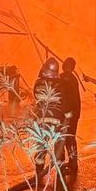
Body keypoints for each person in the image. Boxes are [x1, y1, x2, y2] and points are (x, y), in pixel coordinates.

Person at [32, 56, 65, 184]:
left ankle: (39, 172)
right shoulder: (61, 84)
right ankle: (61, 173)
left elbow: (37, 97)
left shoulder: (38, 83)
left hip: (42, 119)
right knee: (59, 147)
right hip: (58, 119)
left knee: (41, 146)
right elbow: (64, 100)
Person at [59, 57, 83, 175]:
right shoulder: (66, 77)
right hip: (70, 114)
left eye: (67, 64)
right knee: (68, 138)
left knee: (69, 138)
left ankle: (72, 163)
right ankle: (71, 162)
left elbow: (70, 99)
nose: (64, 65)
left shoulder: (69, 79)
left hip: (70, 115)